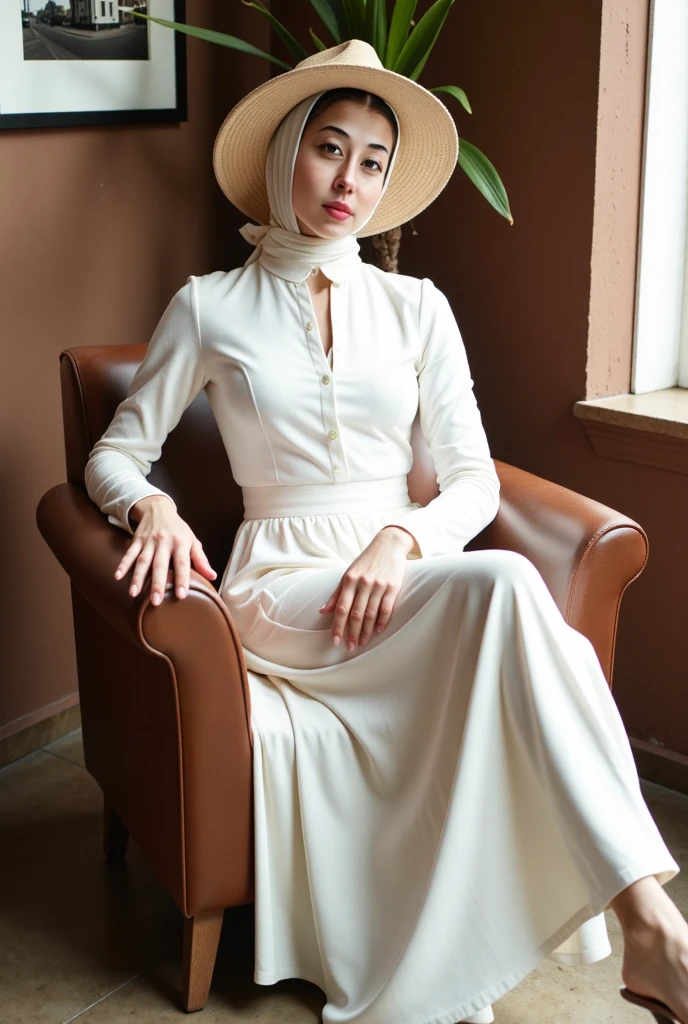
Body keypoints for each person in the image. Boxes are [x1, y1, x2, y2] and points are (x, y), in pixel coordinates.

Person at [83, 39, 688, 1024]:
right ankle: (656, 928)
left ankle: (653, 930)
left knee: (505, 603)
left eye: (372, 161)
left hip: (396, 572)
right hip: (278, 591)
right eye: (330, 148)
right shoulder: (210, 306)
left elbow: (469, 480)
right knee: (503, 592)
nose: (349, 180)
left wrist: (401, 539)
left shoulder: (416, 308)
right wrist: (150, 502)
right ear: (286, 154)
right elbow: (113, 453)